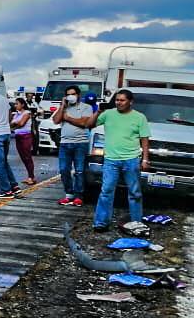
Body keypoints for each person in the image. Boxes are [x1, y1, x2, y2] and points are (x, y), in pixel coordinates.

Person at [64, 89, 150, 232]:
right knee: (106, 191)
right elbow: (89, 124)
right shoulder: (108, 114)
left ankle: (137, 223)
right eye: (117, 100)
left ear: (130, 102)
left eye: (122, 100)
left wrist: (145, 159)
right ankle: (101, 223)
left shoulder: (139, 117)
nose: (119, 103)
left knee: (135, 192)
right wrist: (98, 111)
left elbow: (145, 139)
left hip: (131, 159)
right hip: (110, 160)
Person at [51, 84, 92, 206]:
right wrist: (62, 106)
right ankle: (69, 194)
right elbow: (56, 120)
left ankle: (79, 195)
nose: (71, 96)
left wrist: (68, 118)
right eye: (68, 94)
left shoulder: (86, 107)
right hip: (65, 143)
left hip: (80, 143)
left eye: (73, 94)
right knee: (64, 169)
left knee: (79, 171)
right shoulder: (64, 108)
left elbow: (84, 123)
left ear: (78, 95)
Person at [10, 97, 36, 185]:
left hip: (26, 136)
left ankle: (31, 177)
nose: (15, 105)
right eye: (15, 104)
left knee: (27, 156)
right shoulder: (16, 114)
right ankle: (29, 175)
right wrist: (15, 124)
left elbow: (22, 123)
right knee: (23, 157)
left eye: (17, 104)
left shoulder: (27, 113)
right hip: (18, 136)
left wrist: (15, 124)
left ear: (22, 104)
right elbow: (11, 125)